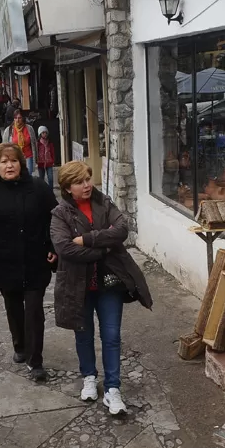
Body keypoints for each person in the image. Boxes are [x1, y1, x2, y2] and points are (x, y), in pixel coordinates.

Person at [50, 161, 152, 416]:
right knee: (83, 335)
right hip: (78, 285)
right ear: (67, 187)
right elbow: (65, 248)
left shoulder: (104, 202)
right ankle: (89, 376)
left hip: (109, 283)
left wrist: (88, 239)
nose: (86, 185)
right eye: (79, 182)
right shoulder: (60, 214)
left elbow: (121, 230)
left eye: (88, 179)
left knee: (111, 336)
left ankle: (113, 389)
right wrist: (104, 248)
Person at [0, 143, 58, 382]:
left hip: (35, 261)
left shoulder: (39, 188)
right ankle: (20, 345)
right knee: (14, 308)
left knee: (34, 311)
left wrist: (53, 246)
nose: (9, 166)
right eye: (3, 162)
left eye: (13, 161)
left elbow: (56, 219)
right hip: (4, 261)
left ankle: (35, 360)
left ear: (21, 163)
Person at [5, 110, 36, 176]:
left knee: (28, 175)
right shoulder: (9, 130)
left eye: (19, 118)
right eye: (15, 118)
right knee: (17, 175)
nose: (17, 120)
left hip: (28, 155)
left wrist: (36, 157)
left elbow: (34, 143)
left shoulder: (29, 128)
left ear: (23, 118)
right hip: (15, 156)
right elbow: (4, 145)